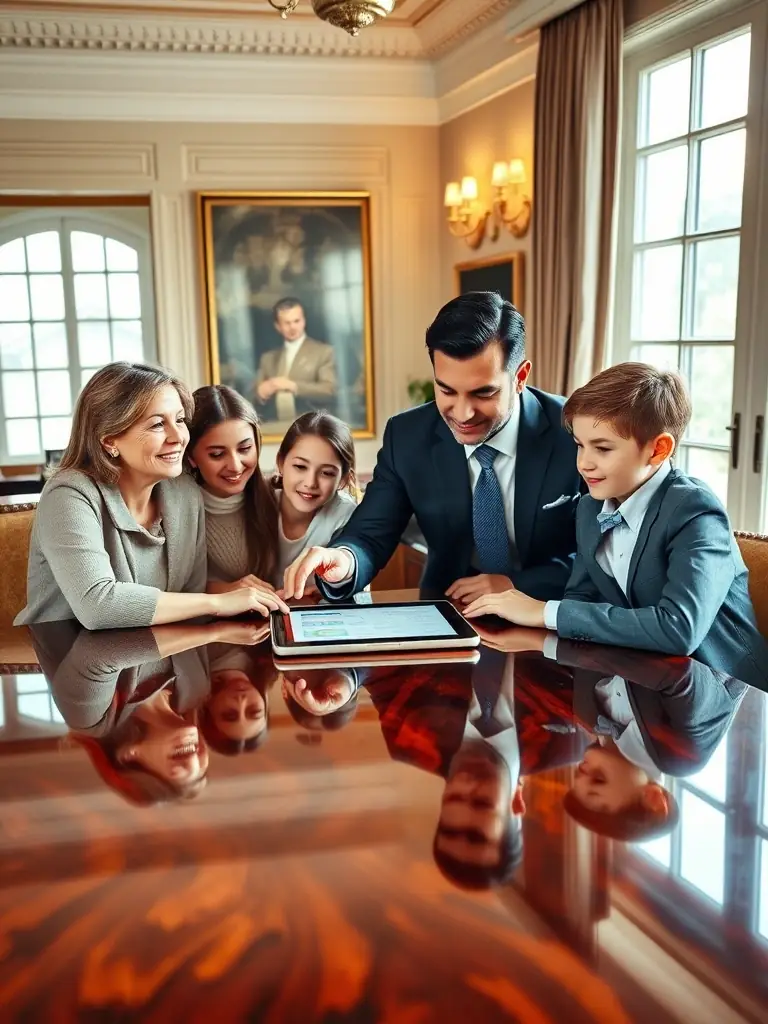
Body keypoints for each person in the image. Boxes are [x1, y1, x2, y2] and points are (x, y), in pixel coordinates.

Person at [462, 362, 768, 689]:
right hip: (641, 685)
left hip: (727, 701)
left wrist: (543, 612)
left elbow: (679, 630)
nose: (583, 463)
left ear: (658, 449)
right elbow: (580, 597)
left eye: (603, 448)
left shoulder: (694, 511)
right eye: (580, 445)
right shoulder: (590, 508)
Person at [282, 291, 582, 604]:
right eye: (447, 390)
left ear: (520, 377)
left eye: (484, 394)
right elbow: (371, 533)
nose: (463, 414)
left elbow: (603, 556)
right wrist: (344, 561)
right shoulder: (408, 435)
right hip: (450, 608)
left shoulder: (573, 432)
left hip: (554, 613)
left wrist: (515, 585)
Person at [14, 362, 288, 630]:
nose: (178, 437)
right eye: (158, 424)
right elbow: (97, 606)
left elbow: (190, 600)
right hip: (67, 662)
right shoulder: (69, 494)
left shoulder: (184, 494)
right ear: (109, 439)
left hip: (158, 657)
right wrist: (217, 602)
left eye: (179, 420)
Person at [187, 385, 280, 594]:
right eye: (218, 454)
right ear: (191, 457)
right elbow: (174, 588)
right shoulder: (176, 509)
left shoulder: (278, 496)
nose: (236, 466)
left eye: (245, 449)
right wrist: (227, 590)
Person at [272, 411, 358, 591]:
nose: (310, 483)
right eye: (300, 467)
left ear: (342, 479)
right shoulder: (257, 500)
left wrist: (329, 590)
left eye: (326, 473)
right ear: (281, 463)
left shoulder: (346, 514)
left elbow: (356, 584)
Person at [254, 297, 336, 421]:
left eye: (296, 321)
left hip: (311, 426)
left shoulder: (323, 352)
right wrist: (260, 393)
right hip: (272, 428)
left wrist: (293, 386)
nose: (292, 327)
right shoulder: (267, 359)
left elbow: (329, 390)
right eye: (287, 323)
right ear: (278, 326)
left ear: (304, 321)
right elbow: (252, 399)